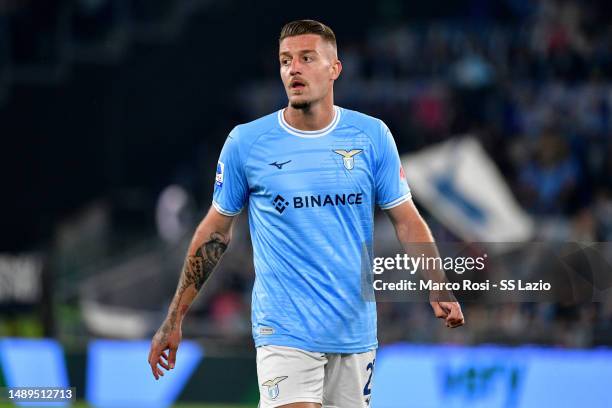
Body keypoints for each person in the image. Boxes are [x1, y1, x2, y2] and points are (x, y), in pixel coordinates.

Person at [148, 19, 464, 408]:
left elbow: (407, 219)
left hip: (355, 334)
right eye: (285, 60)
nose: (293, 69)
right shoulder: (247, 143)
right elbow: (215, 232)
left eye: (306, 58)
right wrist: (174, 316)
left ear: (335, 69)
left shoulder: (372, 136)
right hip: (284, 331)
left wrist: (437, 283)